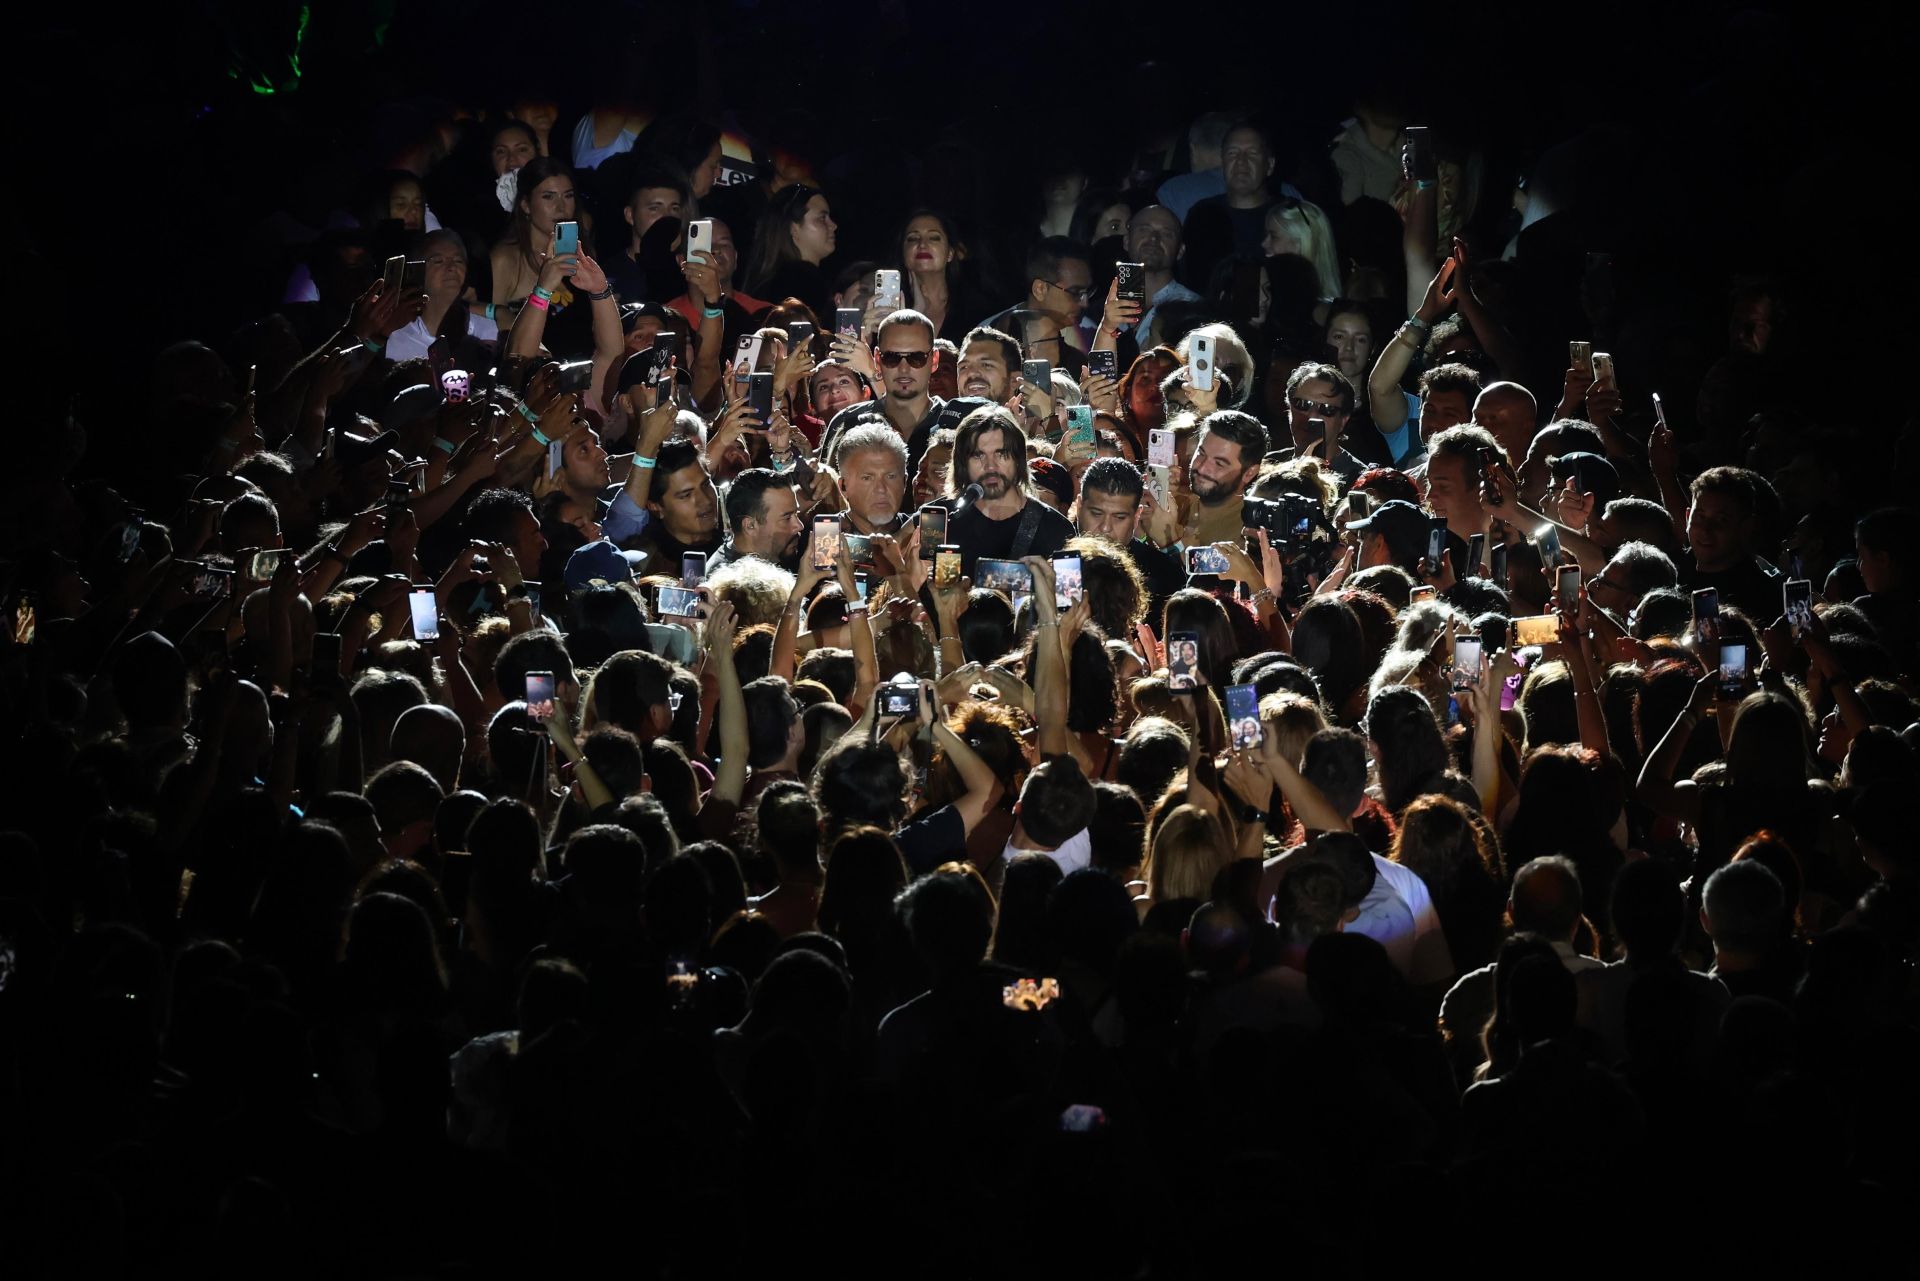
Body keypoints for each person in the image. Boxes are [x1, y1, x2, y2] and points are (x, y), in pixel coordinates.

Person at [944, 405, 1075, 576]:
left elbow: (1070, 600)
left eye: (1001, 454)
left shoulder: (1056, 529)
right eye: (978, 455)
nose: (990, 466)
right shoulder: (943, 519)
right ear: (962, 463)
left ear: (1019, 459)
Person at [1074, 457, 1186, 608]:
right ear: (1079, 506)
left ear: (1137, 516)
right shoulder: (1052, 555)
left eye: (1119, 517)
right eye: (1096, 513)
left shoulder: (1162, 574)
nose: (1106, 527)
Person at [743, 183, 838, 320]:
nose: (833, 226)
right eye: (822, 218)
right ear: (794, 228)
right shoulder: (803, 285)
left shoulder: (765, 281)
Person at [1183, 410, 1268, 549]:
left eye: (1219, 464)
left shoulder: (1249, 532)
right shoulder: (1174, 502)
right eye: (1201, 454)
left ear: (1249, 473)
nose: (1203, 468)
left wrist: (1171, 545)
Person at [1122, 206, 1202, 345]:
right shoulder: (1102, 308)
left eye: (1167, 234)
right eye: (1144, 230)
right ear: (1126, 241)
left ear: (1180, 250)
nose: (1153, 238)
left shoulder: (1194, 309)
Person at [711, 467, 802, 571]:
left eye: (797, 514)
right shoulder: (727, 581)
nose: (799, 526)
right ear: (750, 526)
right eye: (787, 518)